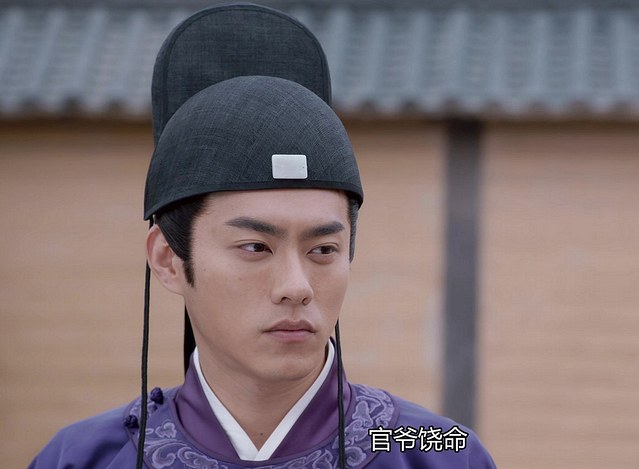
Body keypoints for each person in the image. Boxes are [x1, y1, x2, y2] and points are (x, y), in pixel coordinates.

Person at [28, 3, 495, 469]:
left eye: (323, 249)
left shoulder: (438, 450)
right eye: (255, 247)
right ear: (168, 258)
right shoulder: (82, 457)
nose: (297, 286)